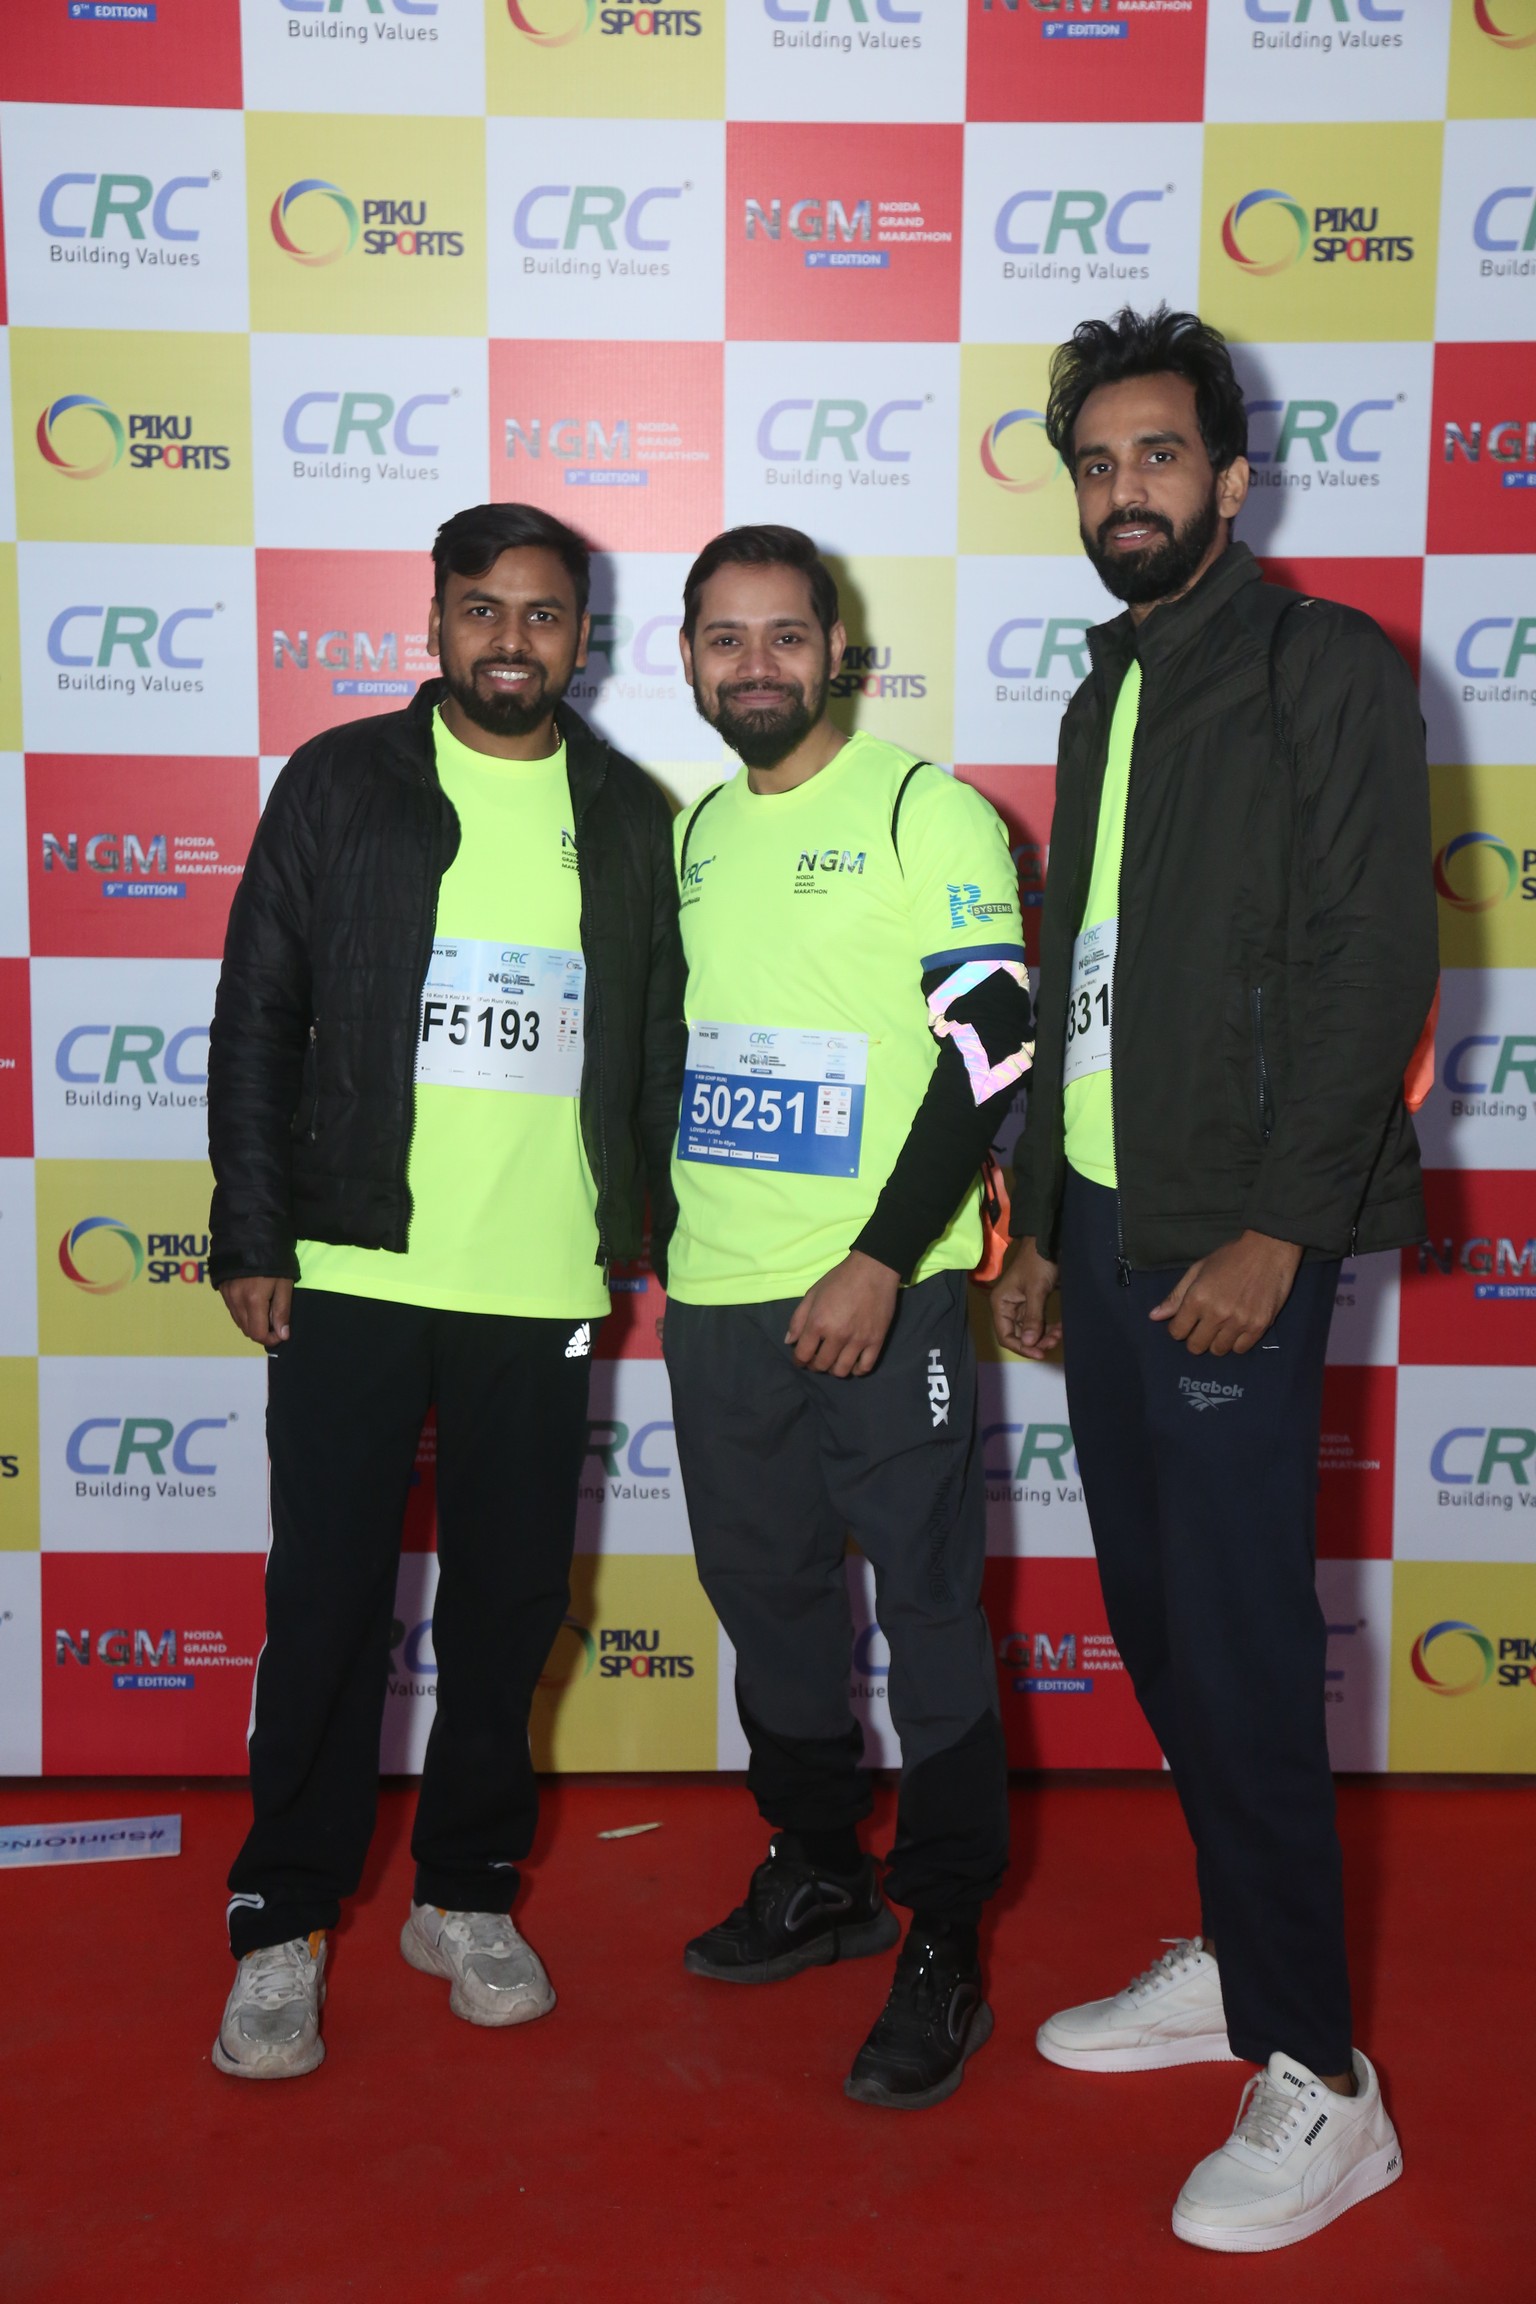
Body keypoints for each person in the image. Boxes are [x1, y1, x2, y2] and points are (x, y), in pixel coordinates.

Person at [991, 307, 1434, 2248]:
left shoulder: (1322, 667)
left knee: (1244, 1644)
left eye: (1158, 456)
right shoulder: (1107, 694)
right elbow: (1077, 974)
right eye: (1097, 465)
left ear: (1233, 479)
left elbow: (1373, 960)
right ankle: (1246, 1966)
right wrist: (1037, 1213)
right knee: (1164, 1625)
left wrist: (1281, 1227)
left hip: (1236, 1233)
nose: (1125, 492)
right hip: (1106, 1222)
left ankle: (1324, 2078)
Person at [206, 502, 684, 2078]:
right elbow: (258, 1012)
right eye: (484, 609)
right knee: (327, 1602)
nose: (511, 640)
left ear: (582, 638)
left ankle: (464, 1894)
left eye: (543, 615)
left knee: (507, 1609)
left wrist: (653, 1229)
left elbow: (656, 1052)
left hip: (538, 1280)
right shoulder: (341, 782)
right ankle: (282, 1919)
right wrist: (254, 1230)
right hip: (352, 1260)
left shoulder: (625, 813)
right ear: (435, 622)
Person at [664, 524, 1033, 2108]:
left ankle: (943, 1937)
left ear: (838, 653)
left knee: (932, 1613)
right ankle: (820, 1869)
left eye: (785, 636)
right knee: (771, 1607)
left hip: (886, 1293)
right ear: (690, 659)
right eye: (725, 638)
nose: (756, 665)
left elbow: (994, 1044)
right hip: (717, 1293)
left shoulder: (921, 809)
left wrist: (882, 1258)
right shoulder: (692, 831)